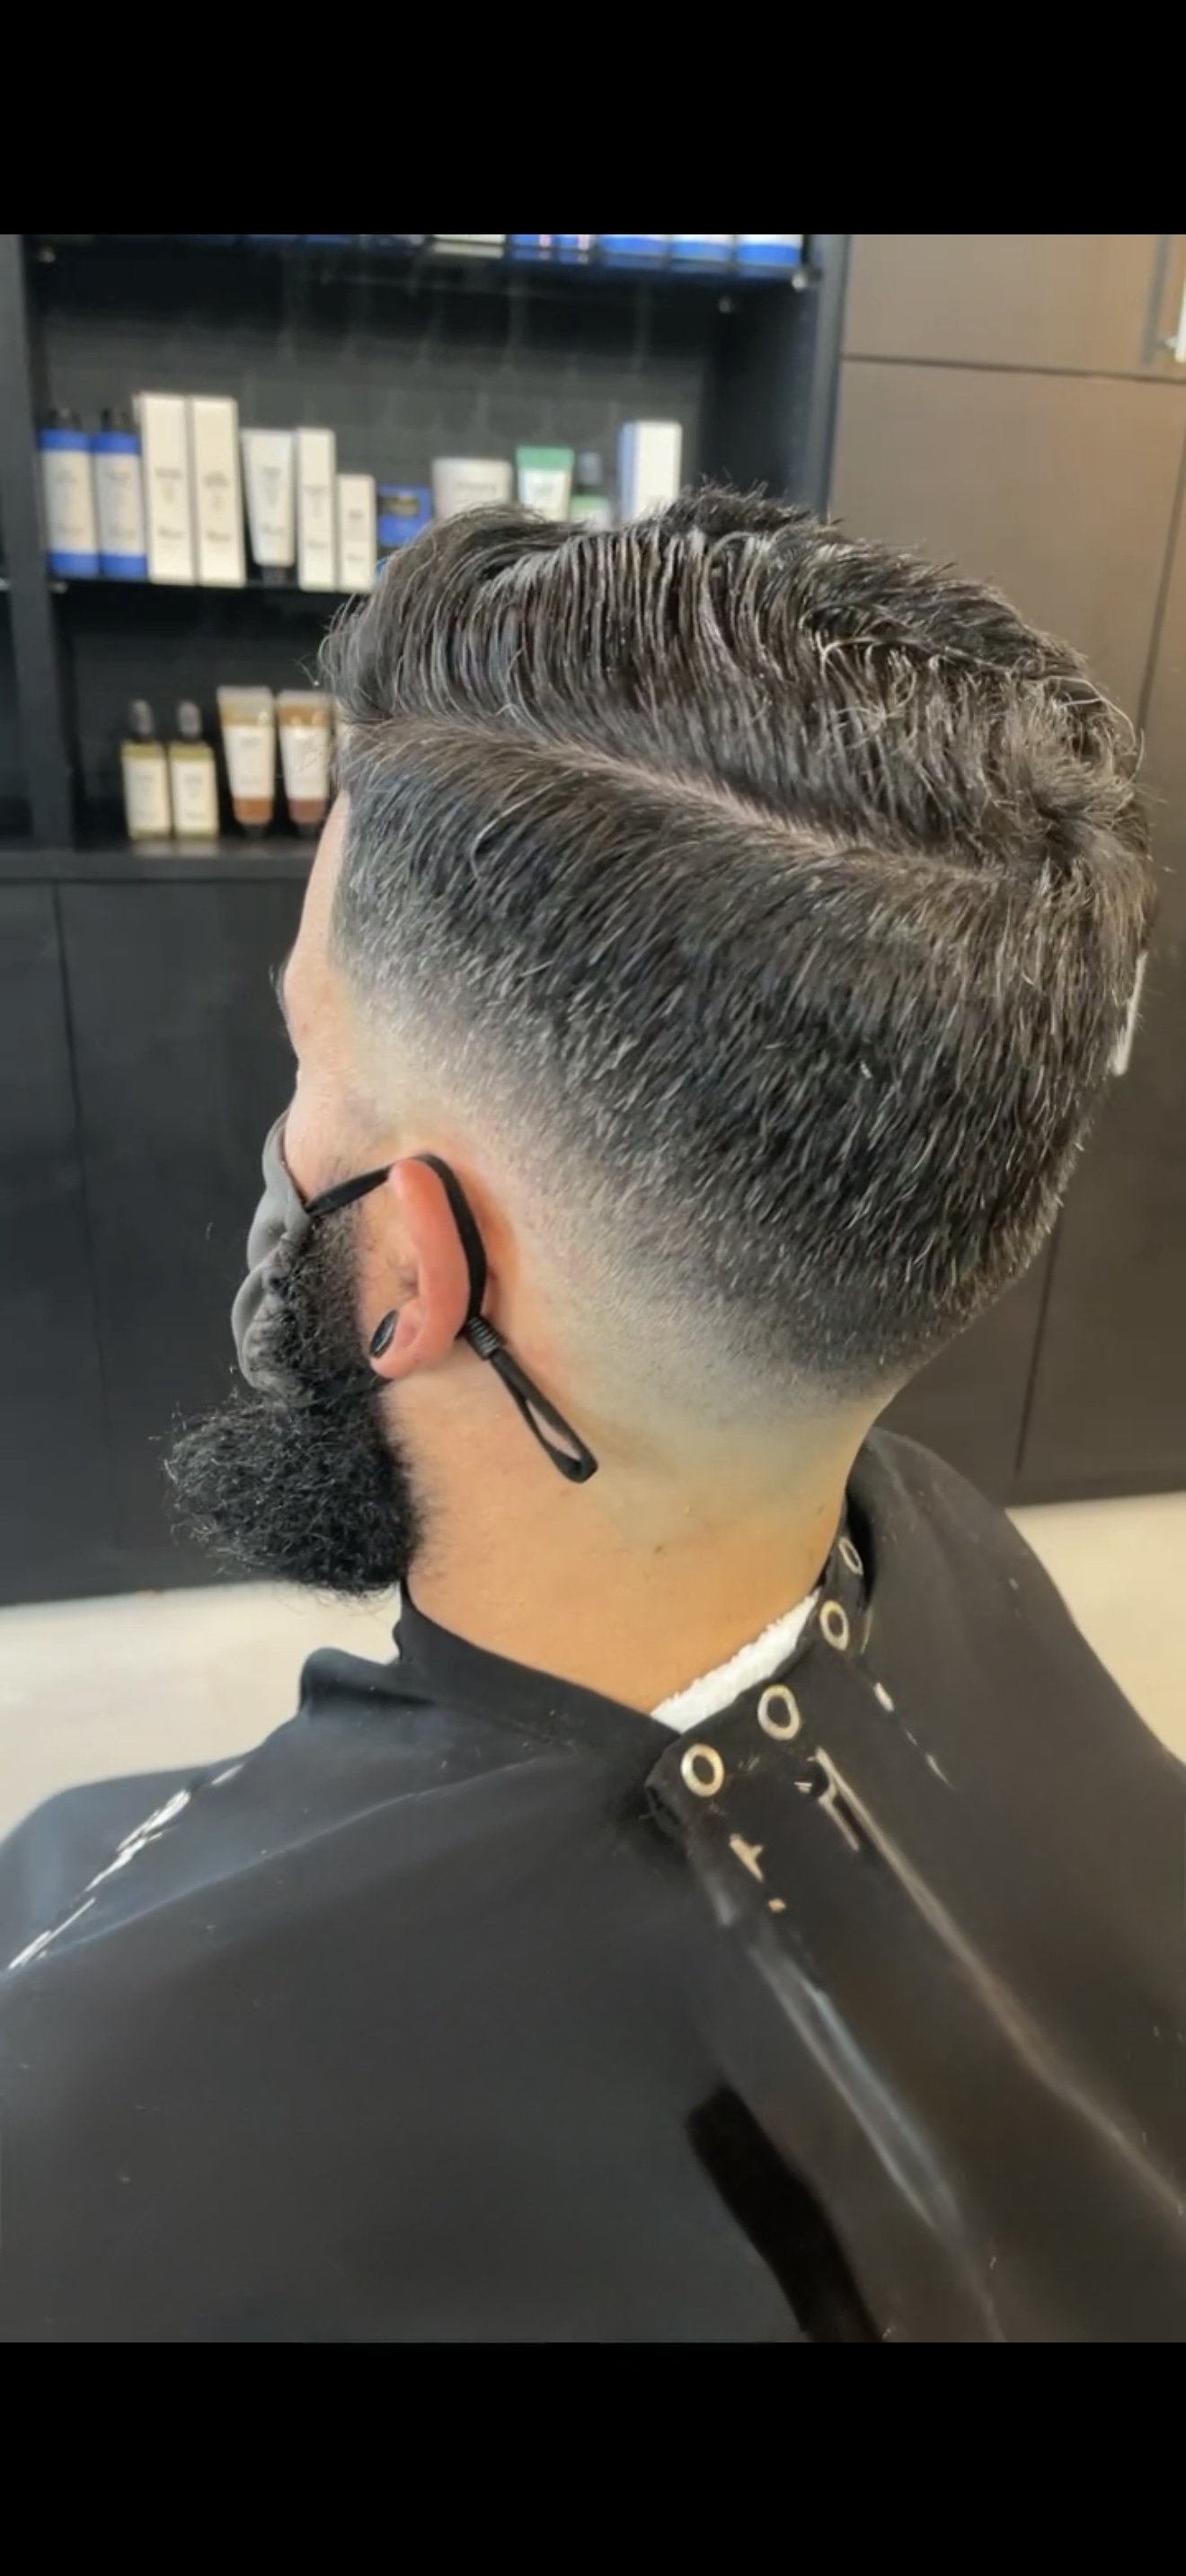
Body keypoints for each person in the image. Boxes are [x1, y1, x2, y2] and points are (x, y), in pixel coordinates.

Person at [1, 489, 1182, 2343]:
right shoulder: (959, 1560)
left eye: (311, 1060)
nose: (284, 1136)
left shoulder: (72, 2104)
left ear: (415, 1267)